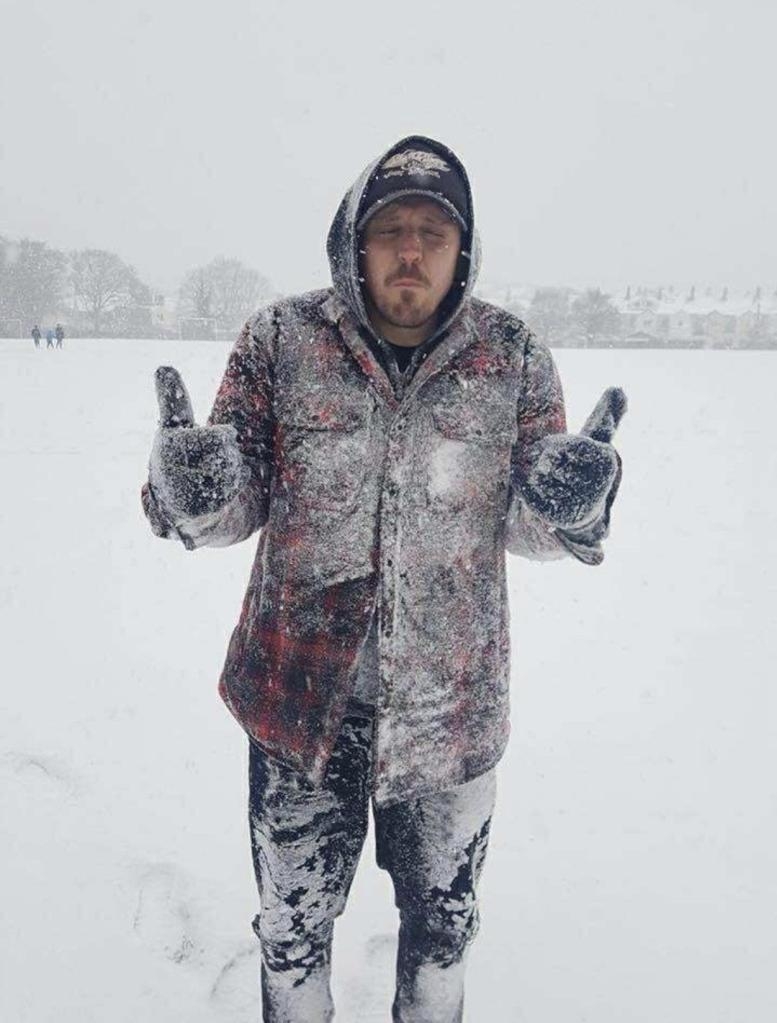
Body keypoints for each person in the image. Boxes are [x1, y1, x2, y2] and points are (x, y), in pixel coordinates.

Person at [141, 135, 626, 1022]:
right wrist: (195, 493)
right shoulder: (280, 341)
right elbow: (236, 493)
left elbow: (523, 519)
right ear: (353, 242)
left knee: (442, 928)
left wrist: (569, 510)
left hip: (451, 712)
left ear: (462, 249)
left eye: (432, 233)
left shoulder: (512, 357)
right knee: (291, 927)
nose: (410, 251)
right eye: (391, 229)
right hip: (296, 704)